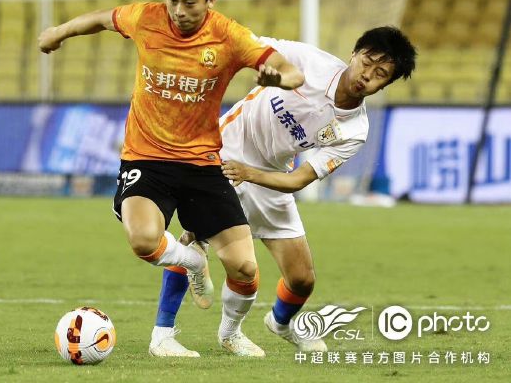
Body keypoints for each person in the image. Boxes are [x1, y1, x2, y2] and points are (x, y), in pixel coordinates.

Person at [38, 0, 303, 357]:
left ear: (210, 0)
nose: (178, 10)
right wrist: (59, 31)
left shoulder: (230, 37)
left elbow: (291, 71)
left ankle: (230, 333)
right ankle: (193, 263)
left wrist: (279, 79)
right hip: (146, 157)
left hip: (201, 164)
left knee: (246, 270)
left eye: (190, 2)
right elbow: (100, 19)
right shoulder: (145, 18)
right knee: (144, 240)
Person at [149, 26, 417, 357]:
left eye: (381, 74)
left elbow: (300, 179)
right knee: (196, 238)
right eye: (367, 61)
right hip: (226, 149)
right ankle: (164, 334)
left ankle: (279, 323)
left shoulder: (355, 130)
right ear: (354, 54)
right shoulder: (309, 61)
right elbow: (251, 45)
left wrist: (252, 174)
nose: (367, 76)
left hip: (270, 175)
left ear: (385, 85)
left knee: (302, 279)